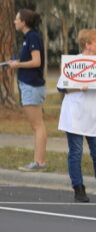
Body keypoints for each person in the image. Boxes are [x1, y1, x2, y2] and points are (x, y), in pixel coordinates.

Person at [58, 29, 96, 203]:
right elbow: (62, 87)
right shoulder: (73, 62)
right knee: (76, 152)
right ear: (87, 44)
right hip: (75, 114)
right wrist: (79, 87)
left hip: (94, 116)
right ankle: (79, 188)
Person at [5, 9, 47, 171]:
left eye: (17, 19)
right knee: (37, 125)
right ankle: (39, 161)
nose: (14, 21)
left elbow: (36, 62)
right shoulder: (28, 38)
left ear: (24, 22)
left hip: (32, 85)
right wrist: (16, 62)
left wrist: (18, 65)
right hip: (29, 85)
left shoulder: (33, 37)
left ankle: (38, 162)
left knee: (37, 125)